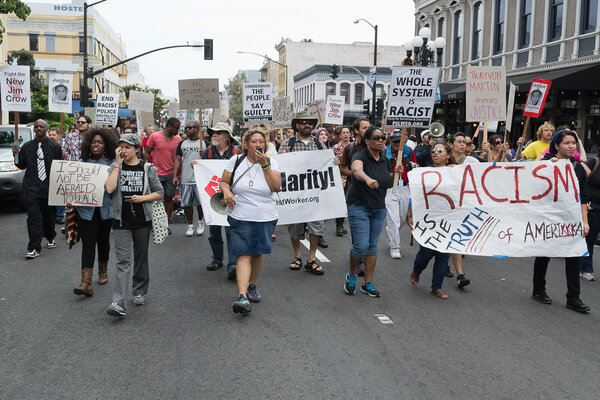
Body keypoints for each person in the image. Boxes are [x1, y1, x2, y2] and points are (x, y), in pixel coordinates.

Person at [219, 125, 281, 314]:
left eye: (261, 141)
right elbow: (223, 181)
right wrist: (227, 191)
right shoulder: (235, 160)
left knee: (256, 253)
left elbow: (276, 187)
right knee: (243, 253)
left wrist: (265, 166)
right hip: (241, 215)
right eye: (254, 141)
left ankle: (252, 285)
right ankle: (242, 295)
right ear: (246, 144)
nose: (258, 145)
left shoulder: (272, 162)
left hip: (264, 216)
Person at [105, 134, 164, 317]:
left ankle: (139, 291)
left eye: (127, 147)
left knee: (140, 258)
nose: (123, 150)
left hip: (142, 221)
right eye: (121, 147)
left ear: (137, 149)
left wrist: (142, 199)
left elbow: (159, 192)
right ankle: (118, 301)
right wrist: (116, 165)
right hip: (121, 221)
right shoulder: (115, 167)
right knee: (123, 261)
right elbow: (109, 189)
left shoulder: (147, 169)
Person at [532, 130, 590, 313]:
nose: (571, 146)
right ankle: (538, 290)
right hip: (549, 218)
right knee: (544, 254)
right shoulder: (546, 165)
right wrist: (548, 166)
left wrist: (584, 221)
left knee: (574, 256)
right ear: (556, 146)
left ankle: (573, 297)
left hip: (571, 220)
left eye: (573, 143)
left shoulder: (578, 168)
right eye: (567, 143)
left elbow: (583, 197)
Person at [344, 126, 401, 298]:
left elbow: (388, 184)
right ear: (367, 141)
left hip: (378, 208)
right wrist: (367, 179)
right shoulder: (360, 155)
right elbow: (356, 170)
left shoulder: (385, 160)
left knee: (371, 246)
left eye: (382, 137)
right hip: (359, 206)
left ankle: (367, 283)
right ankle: (352, 275)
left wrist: (394, 175)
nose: (380, 140)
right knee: (360, 246)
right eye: (376, 138)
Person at [279, 110, 334, 273]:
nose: (307, 125)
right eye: (304, 123)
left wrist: (334, 161)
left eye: (310, 123)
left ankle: (311, 258)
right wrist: (283, 157)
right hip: (295, 192)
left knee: (316, 225)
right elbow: (278, 165)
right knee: (295, 225)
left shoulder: (318, 144)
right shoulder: (288, 142)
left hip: (313, 192)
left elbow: (327, 163)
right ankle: (297, 256)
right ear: (297, 126)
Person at [407, 142, 455, 299]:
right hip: (428, 218)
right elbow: (416, 194)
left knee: (443, 254)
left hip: (447, 218)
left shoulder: (455, 173)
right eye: (433, 151)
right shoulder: (424, 173)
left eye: (440, 150)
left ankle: (437, 287)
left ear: (448, 155)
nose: (435, 153)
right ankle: (417, 270)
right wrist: (410, 213)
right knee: (426, 251)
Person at [72, 129, 117, 297]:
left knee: (103, 241)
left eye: (100, 142)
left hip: (106, 209)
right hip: (86, 211)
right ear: (88, 145)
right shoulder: (80, 163)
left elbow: (116, 187)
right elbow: (73, 186)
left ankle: (103, 270)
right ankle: (86, 282)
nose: (96, 145)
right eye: (93, 142)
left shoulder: (113, 163)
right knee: (88, 243)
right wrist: (70, 199)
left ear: (106, 145)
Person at [12, 119, 63, 259]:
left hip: (49, 188)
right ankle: (34, 247)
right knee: (34, 218)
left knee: (49, 216)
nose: (39, 128)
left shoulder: (54, 146)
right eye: (36, 127)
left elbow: (60, 167)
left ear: (46, 129)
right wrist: (15, 154)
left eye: (41, 126)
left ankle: (50, 235)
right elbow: (21, 165)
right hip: (31, 188)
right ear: (34, 130)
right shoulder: (27, 147)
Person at [201, 121, 240, 278]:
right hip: (213, 197)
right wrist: (197, 165)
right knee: (214, 230)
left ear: (227, 136)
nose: (214, 135)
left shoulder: (237, 151)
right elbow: (203, 171)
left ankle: (233, 264)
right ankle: (217, 258)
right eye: (213, 133)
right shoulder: (208, 152)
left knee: (231, 230)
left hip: (232, 195)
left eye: (218, 132)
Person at [339, 117, 371, 274]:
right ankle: (358, 261)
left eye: (369, 127)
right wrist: (358, 174)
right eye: (364, 128)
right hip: (354, 194)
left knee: (370, 231)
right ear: (357, 131)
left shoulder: (377, 146)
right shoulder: (350, 148)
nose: (368, 130)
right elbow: (342, 169)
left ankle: (365, 258)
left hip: (373, 195)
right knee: (358, 231)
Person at [446, 132, 478, 284]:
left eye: (464, 142)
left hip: (462, 205)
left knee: (454, 237)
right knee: (448, 236)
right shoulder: (442, 159)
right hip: (445, 205)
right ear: (451, 144)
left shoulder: (471, 160)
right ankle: (448, 266)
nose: (462, 144)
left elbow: (490, 169)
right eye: (459, 142)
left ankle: (459, 274)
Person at [144, 117, 181, 229]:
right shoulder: (155, 136)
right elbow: (147, 152)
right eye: (176, 128)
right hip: (156, 173)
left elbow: (179, 158)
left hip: (171, 174)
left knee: (169, 198)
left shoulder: (178, 139)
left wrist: (178, 174)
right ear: (169, 126)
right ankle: (154, 223)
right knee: (155, 199)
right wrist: (146, 168)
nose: (178, 131)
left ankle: (166, 224)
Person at [384, 130, 416, 259]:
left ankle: (391, 233)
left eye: (400, 141)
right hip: (391, 188)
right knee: (393, 218)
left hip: (406, 188)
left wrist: (411, 169)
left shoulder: (409, 151)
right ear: (390, 141)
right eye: (395, 141)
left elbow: (415, 166)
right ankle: (395, 247)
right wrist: (391, 174)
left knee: (403, 218)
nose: (398, 144)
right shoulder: (384, 154)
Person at [173, 121, 205, 237]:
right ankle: (190, 225)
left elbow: (210, 160)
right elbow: (177, 159)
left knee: (200, 203)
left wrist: (203, 155)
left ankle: (200, 222)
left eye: (190, 128)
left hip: (200, 179)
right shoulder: (182, 143)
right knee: (187, 204)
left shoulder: (204, 143)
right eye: (186, 127)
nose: (187, 129)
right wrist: (175, 175)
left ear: (197, 129)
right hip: (186, 177)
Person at [581, 152, 600, 281]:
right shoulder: (594, 162)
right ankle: (585, 269)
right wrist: (585, 202)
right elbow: (580, 179)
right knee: (590, 238)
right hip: (593, 207)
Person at [332, 126, 351, 236]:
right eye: (343, 132)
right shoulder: (335, 147)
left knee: (347, 201)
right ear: (340, 135)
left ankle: (342, 223)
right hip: (339, 176)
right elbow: (331, 161)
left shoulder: (354, 146)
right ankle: (339, 225)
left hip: (351, 176)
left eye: (347, 132)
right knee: (340, 201)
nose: (345, 134)